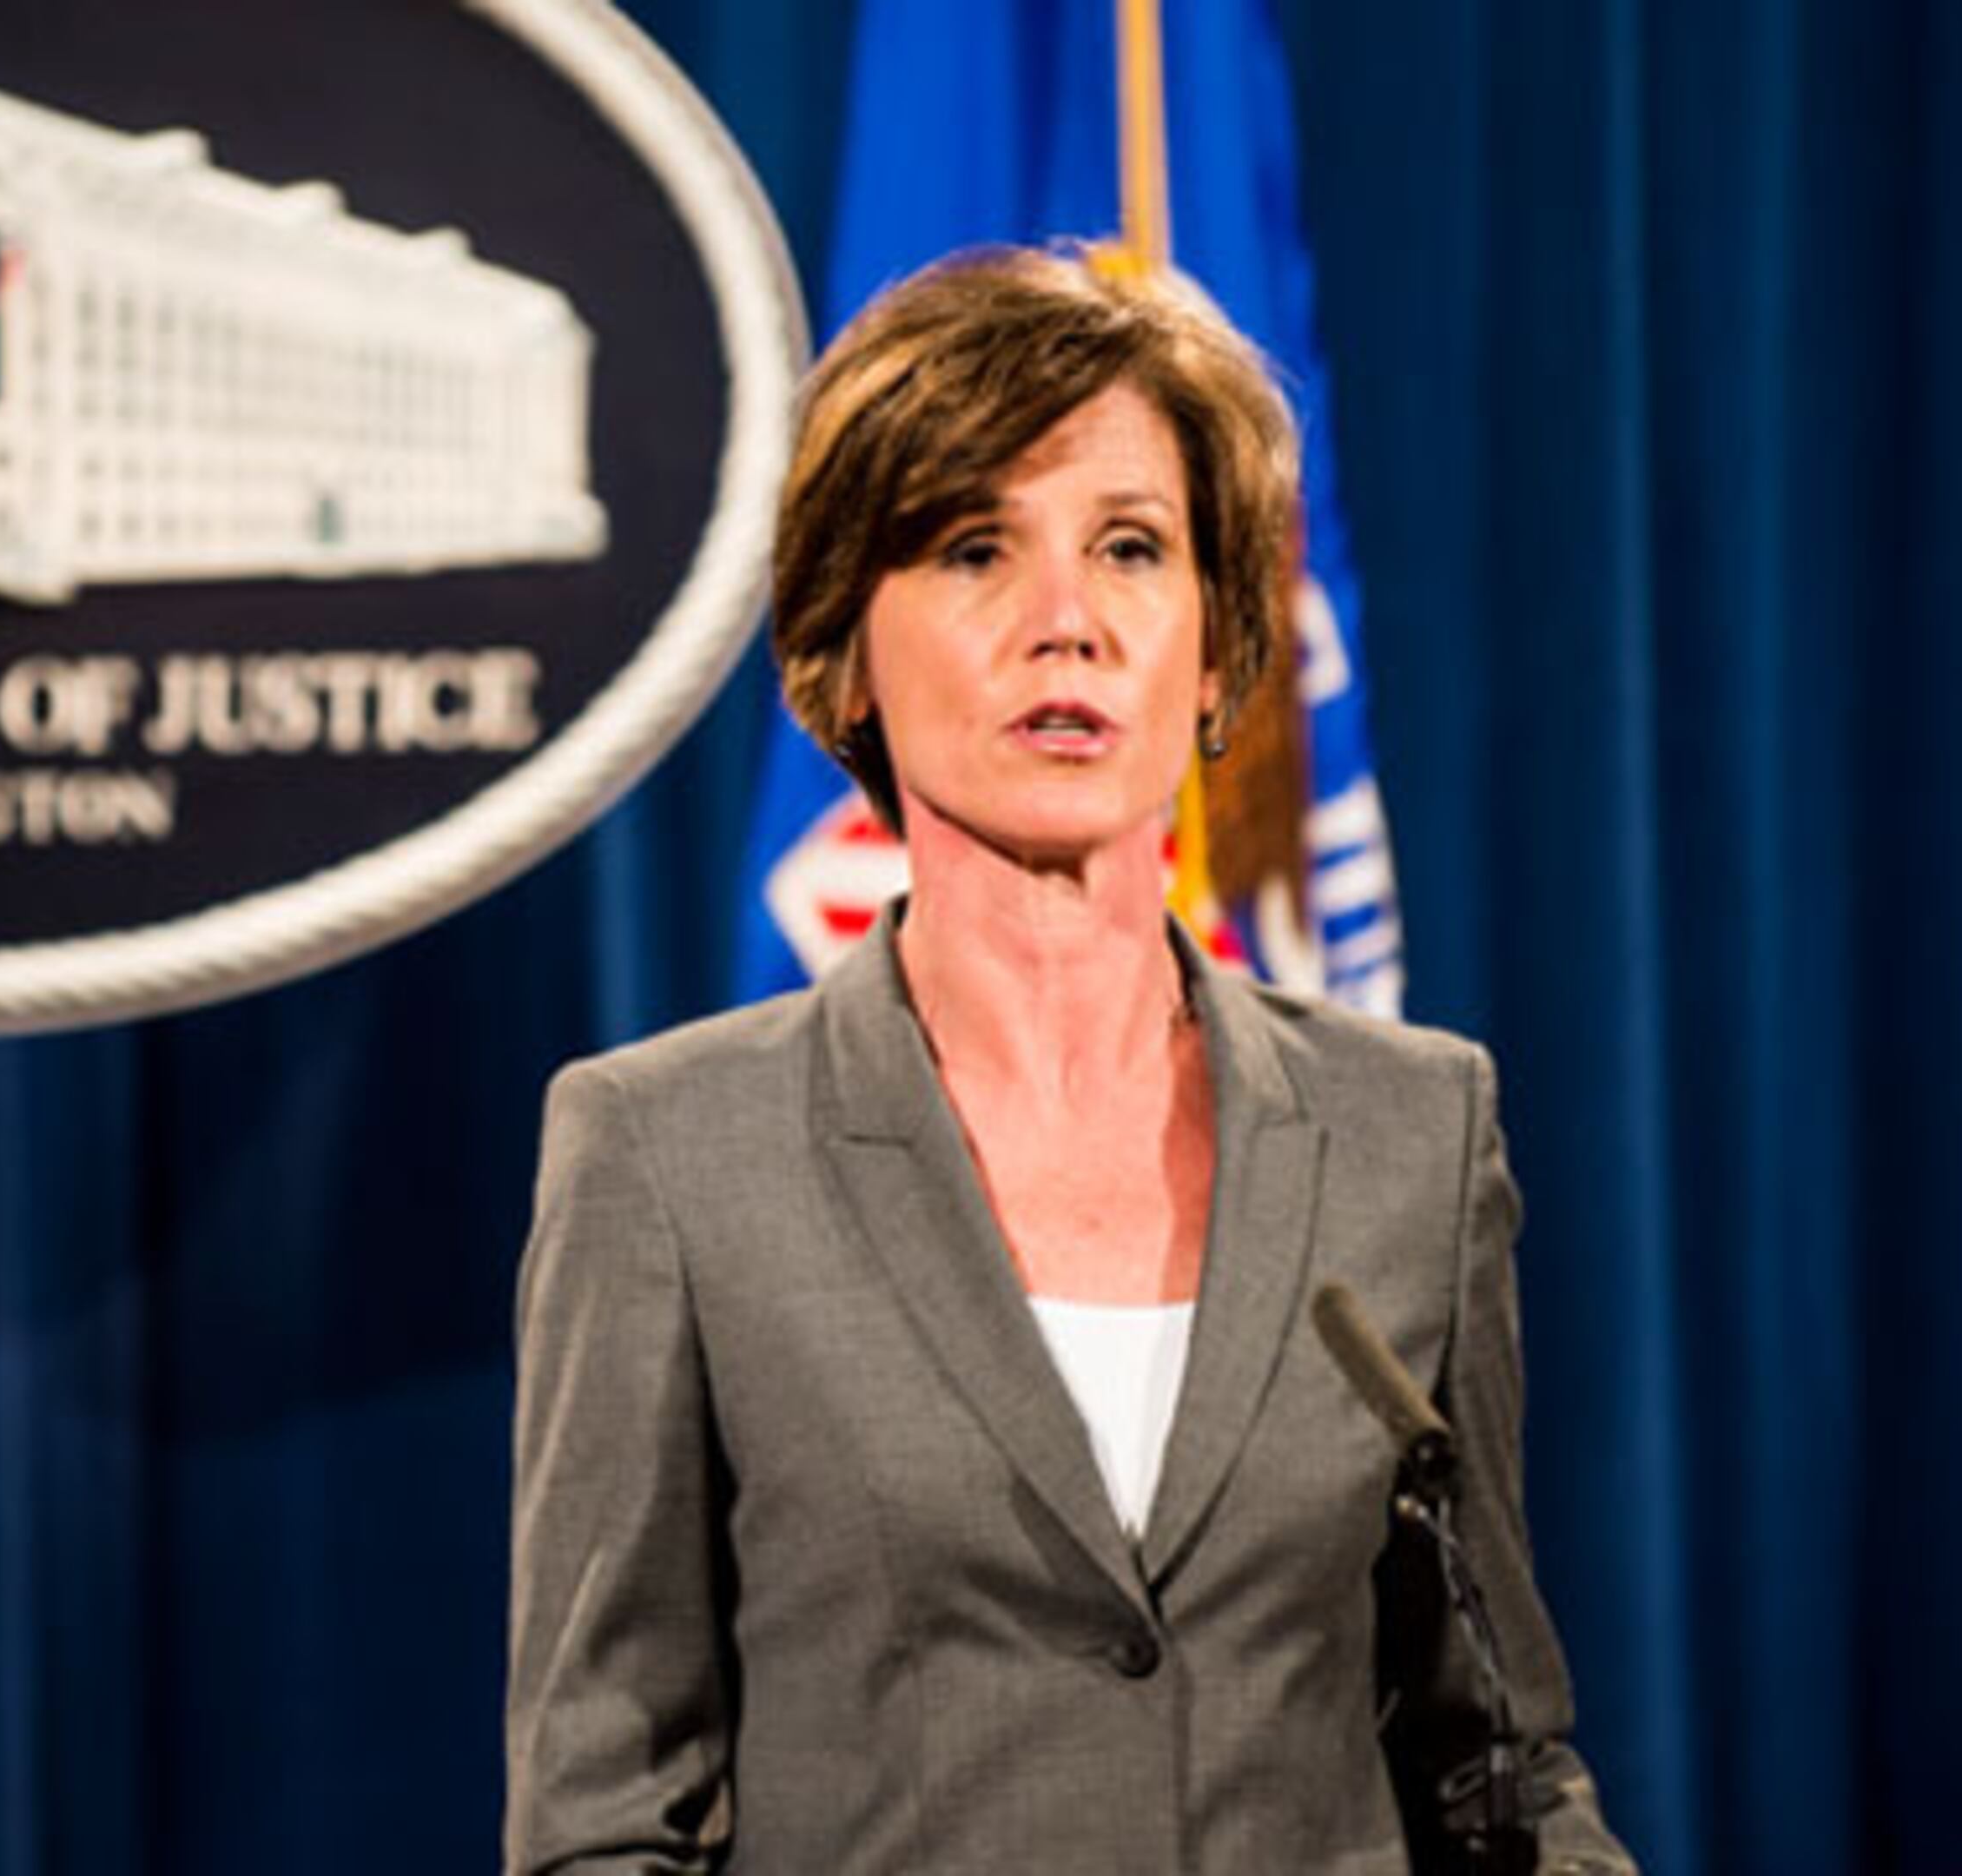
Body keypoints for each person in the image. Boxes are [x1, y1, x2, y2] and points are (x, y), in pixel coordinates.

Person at [504, 245, 1633, 1873]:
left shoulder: (1414, 1131)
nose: (1068, 623)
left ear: (1222, 647)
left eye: (1132, 550)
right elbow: (603, 1823)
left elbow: (1500, 1772)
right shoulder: (670, 1158)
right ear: (844, 650)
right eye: (976, 549)